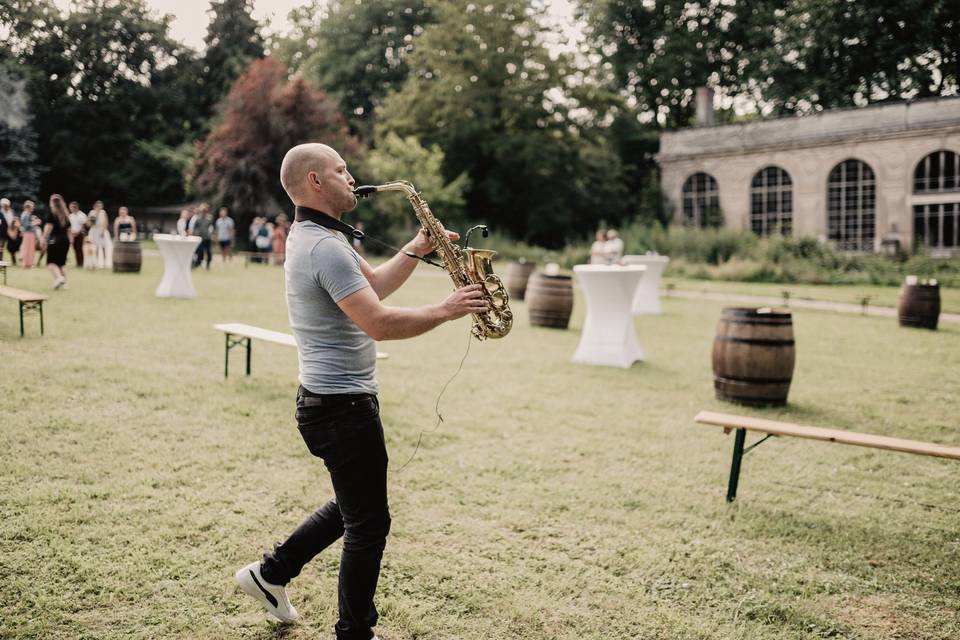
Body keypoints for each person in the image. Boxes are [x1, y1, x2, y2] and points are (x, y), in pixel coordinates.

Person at [234, 143, 488, 639]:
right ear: (314, 181)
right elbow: (377, 322)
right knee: (368, 524)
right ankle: (354, 632)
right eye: (341, 170)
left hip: (332, 403)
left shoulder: (319, 237)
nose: (352, 178)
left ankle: (269, 574)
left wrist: (416, 248)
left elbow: (373, 287)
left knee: (353, 509)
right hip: (340, 408)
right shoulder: (324, 245)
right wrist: (448, 308)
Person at [42, 194, 71, 289]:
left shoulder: (52, 214)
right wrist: (70, 242)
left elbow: (48, 228)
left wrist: (43, 239)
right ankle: (64, 284)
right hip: (65, 241)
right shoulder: (66, 214)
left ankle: (59, 278)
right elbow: (69, 231)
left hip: (54, 240)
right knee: (61, 263)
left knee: (50, 263)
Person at [88, 200, 112, 269]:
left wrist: (103, 231)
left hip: (101, 230)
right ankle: (97, 262)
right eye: (98, 206)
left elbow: (105, 222)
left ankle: (104, 262)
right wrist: (93, 219)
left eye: (100, 206)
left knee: (104, 247)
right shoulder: (92, 212)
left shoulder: (103, 212)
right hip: (94, 231)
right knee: (96, 247)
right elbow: (89, 223)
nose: (99, 207)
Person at [189, 203, 213, 269]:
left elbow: (211, 227)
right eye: (203, 210)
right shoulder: (197, 218)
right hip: (200, 238)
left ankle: (208, 265)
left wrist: (212, 234)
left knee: (209, 253)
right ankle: (196, 264)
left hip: (207, 238)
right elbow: (194, 229)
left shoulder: (209, 218)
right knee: (200, 252)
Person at [68, 201, 87, 267]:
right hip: (72, 234)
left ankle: (81, 263)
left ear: (76, 207)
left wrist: (77, 233)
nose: (71, 209)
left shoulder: (81, 215)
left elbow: (82, 226)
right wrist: (71, 234)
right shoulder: (70, 216)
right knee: (75, 249)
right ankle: (77, 263)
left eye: (72, 207)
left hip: (79, 234)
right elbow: (69, 226)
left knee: (79, 249)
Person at [19, 200, 37, 268]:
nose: (33, 208)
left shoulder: (26, 214)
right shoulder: (26, 214)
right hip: (28, 234)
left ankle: (28, 263)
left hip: (29, 234)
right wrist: (34, 223)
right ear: (28, 207)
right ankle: (26, 263)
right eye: (32, 207)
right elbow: (26, 226)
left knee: (29, 249)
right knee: (28, 249)